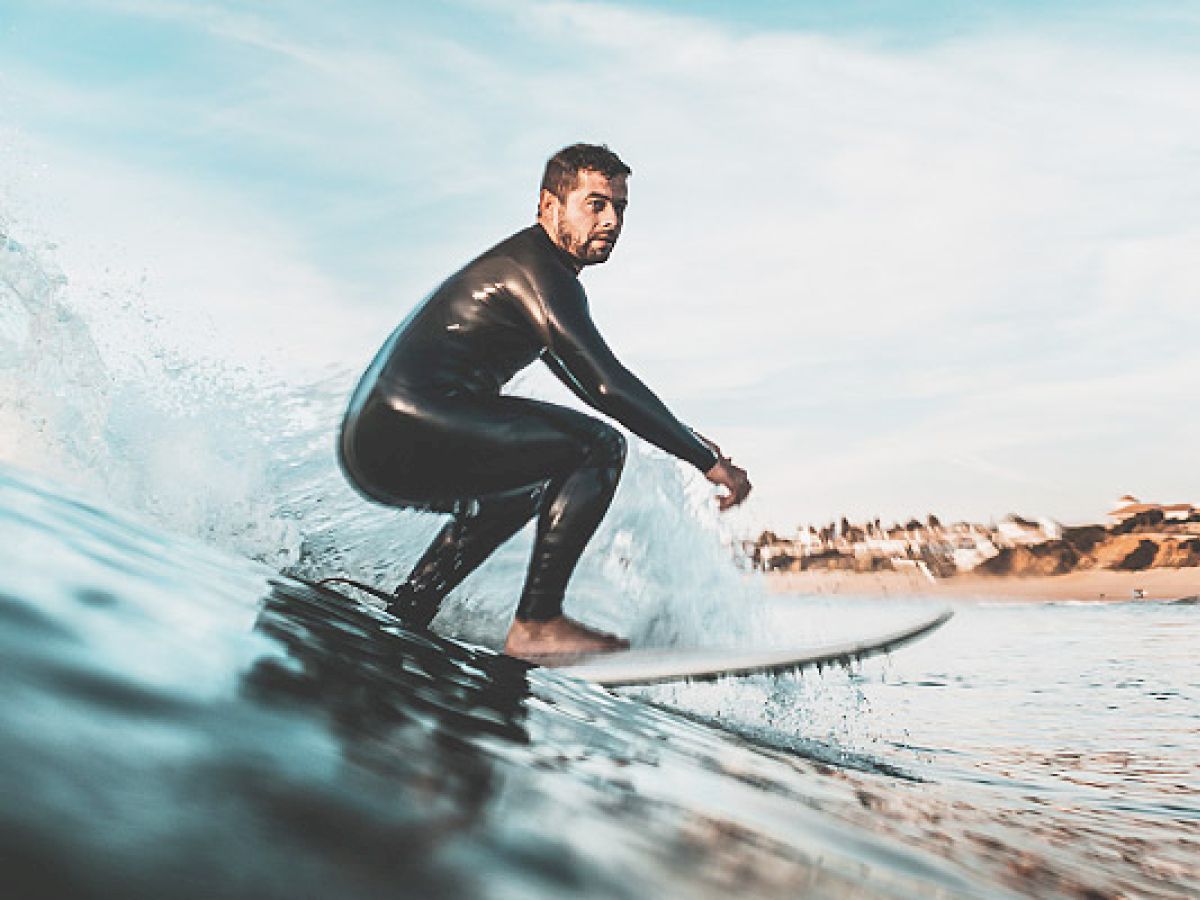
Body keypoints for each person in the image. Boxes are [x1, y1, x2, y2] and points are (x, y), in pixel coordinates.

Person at [338, 143, 751, 660]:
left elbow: (584, 377)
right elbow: (605, 386)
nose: (612, 220)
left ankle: (414, 604)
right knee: (598, 447)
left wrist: (685, 434)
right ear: (549, 207)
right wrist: (706, 461)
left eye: (620, 207)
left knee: (524, 482)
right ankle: (538, 623)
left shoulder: (534, 275)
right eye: (596, 204)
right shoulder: (537, 270)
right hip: (403, 426)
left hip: (377, 438)